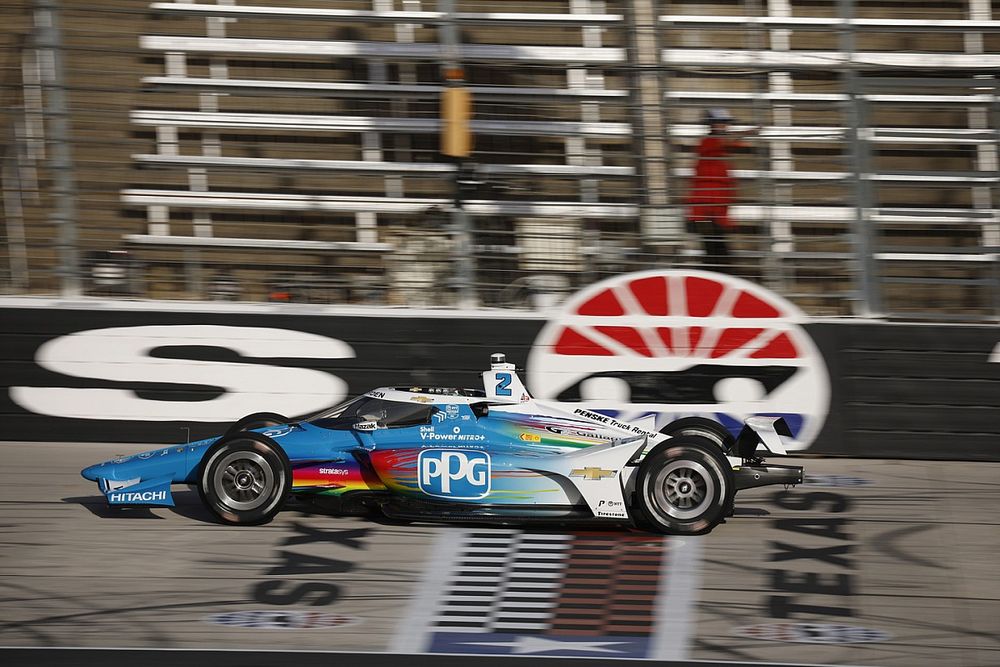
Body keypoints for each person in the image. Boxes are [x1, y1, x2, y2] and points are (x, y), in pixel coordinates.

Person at [687, 108, 759, 269]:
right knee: (715, 250)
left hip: (716, 208)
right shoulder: (708, 141)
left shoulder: (719, 146)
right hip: (706, 209)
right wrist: (748, 132)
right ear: (711, 125)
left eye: (725, 123)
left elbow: (738, 144)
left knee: (718, 249)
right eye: (720, 123)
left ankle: (719, 275)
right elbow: (730, 141)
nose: (724, 127)